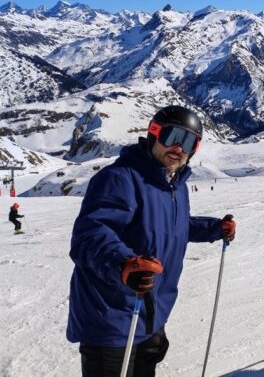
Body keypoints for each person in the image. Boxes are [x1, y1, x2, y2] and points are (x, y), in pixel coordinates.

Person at [67, 105, 237, 377]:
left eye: (189, 141)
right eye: (172, 136)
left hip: (149, 313)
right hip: (112, 317)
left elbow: (174, 226)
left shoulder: (174, 184)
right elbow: (90, 234)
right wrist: (124, 263)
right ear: (154, 134)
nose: (179, 148)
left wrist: (214, 228)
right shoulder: (120, 178)